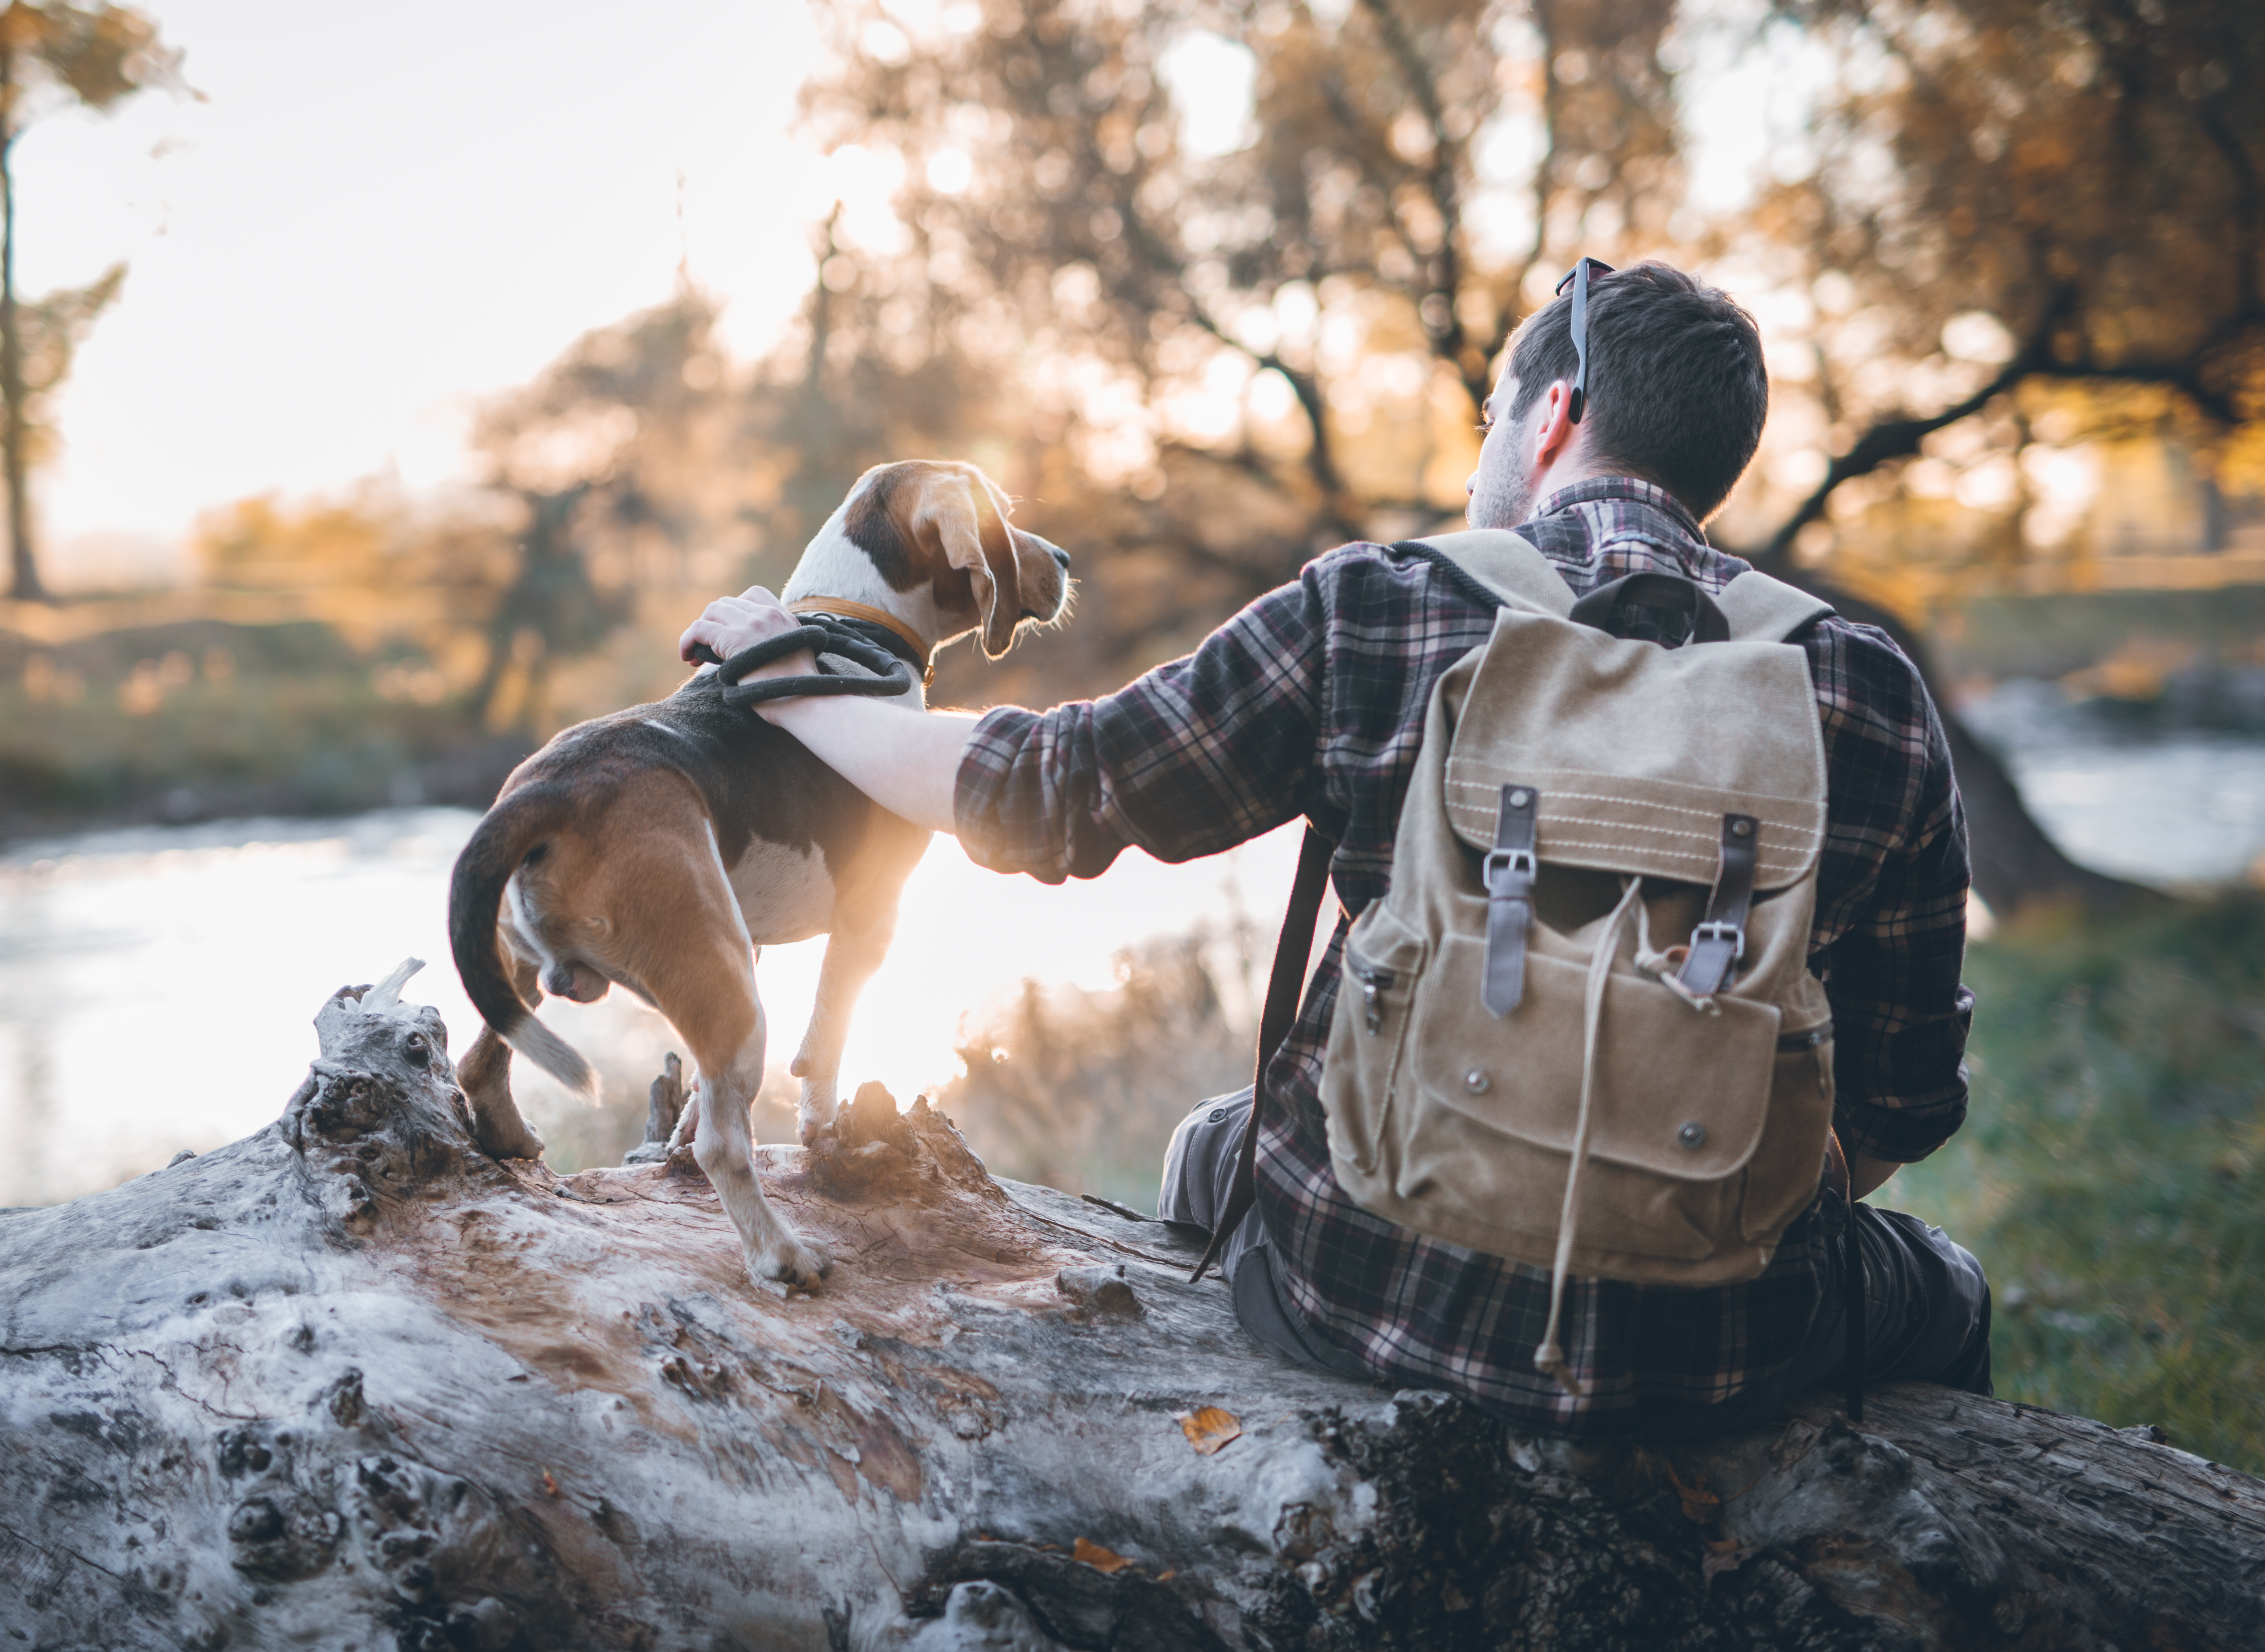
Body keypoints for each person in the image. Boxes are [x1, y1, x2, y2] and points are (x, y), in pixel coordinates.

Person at [678, 261, 1991, 1438]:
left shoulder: (1381, 607)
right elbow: (1902, 1106)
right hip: (1725, 1346)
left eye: (1493, 424)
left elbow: (1048, 793)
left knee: (1213, 1147)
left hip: (1360, 1291)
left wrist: (787, 677)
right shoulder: (1861, 686)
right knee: (1949, 1286)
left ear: (1553, 419)